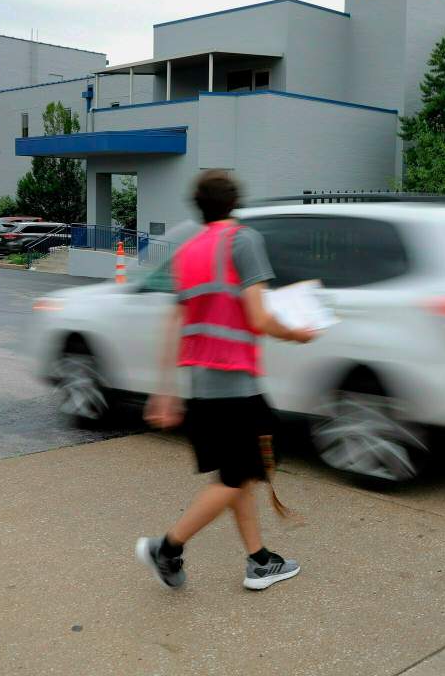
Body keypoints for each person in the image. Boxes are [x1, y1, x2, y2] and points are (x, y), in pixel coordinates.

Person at [136, 169, 314, 591]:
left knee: (238, 477)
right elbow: (257, 316)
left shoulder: (189, 250)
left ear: (199, 207)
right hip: (238, 385)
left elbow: (174, 323)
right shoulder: (243, 240)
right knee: (239, 476)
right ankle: (168, 547)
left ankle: (259, 560)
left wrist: (165, 390)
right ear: (234, 203)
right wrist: (297, 332)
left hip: (202, 389)